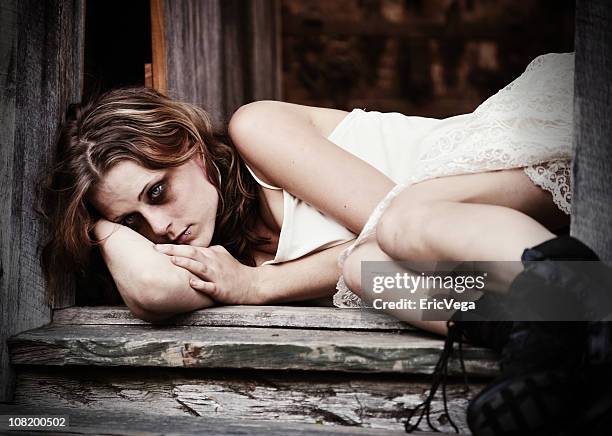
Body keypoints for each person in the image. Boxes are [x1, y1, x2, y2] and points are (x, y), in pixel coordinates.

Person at [42, 52, 574, 332]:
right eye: (137, 222)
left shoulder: (258, 130)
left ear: (190, 147)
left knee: (390, 234)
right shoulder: (236, 259)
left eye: (156, 192)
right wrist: (101, 227)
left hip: (531, 160)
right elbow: (156, 290)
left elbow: (403, 224)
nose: (158, 229)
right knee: (367, 274)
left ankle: (584, 299)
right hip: (503, 251)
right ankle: (538, 328)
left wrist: (260, 288)